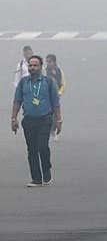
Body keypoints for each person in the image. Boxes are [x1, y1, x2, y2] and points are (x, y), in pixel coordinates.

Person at [11, 55, 62, 186]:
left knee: (42, 146)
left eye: (35, 65)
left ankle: (46, 168)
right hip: (28, 121)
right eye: (30, 65)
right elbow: (17, 101)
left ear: (41, 67)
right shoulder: (23, 83)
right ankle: (36, 178)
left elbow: (56, 102)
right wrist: (14, 118)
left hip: (45, 120)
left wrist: (59, 120)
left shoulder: (48, 82)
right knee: (32, 150)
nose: (32, 67)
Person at [45, 54, 66, 141]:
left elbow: (63, 84)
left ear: (54, 62)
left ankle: (53, 131)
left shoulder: (59, 71)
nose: (48, 63)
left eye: (50, 61)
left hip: (56, 96)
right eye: (47, 62)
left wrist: (59, 93)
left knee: (55, 115)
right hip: (46, 97)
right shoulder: (44, 71)